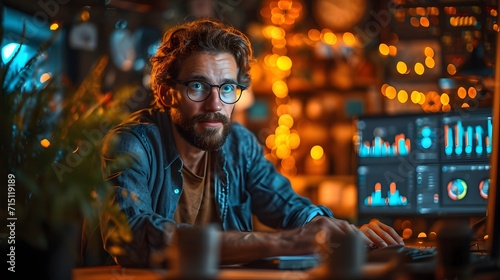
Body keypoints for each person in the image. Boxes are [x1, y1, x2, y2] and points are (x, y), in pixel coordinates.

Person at [98, 18, 404, 268]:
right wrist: (286, 242)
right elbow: (132, 237)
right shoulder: (131, 144)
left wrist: (334, 231)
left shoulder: (238, 143)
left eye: (227, 88)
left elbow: (287, 205)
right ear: (167, 94)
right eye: (197, 86)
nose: (215, 104)